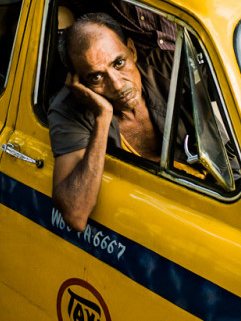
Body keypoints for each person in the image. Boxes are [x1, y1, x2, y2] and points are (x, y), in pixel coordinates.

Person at [48, 12, 166, 231]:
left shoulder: (166, 76)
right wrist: (103, 117)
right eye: (96, 77)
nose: (118, 85)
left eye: (119, 63)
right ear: (79, 82)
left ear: (132, 50)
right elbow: (75, 214)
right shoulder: (68, 109)